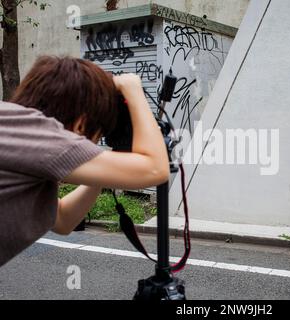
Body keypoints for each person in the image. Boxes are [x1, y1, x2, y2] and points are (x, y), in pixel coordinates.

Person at [0, 56, 169, 266]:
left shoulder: (17, 132)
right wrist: (133, 90)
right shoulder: (39, 131)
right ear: (81, 125)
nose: (92, 147)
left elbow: (62, 219)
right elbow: (155, 169)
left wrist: (101, 173)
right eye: (97, 137)